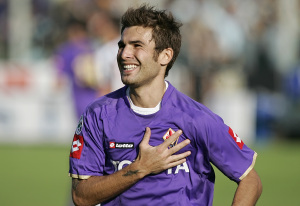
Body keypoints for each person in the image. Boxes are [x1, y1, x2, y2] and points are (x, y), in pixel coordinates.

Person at [69, 5, 262, 206]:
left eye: (137, 45)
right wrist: (140, 168)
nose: (124, 53)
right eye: (122, 45)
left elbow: (251, 180)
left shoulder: (196, 118)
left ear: (165, 56)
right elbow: (81, 196)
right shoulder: (97, 115)